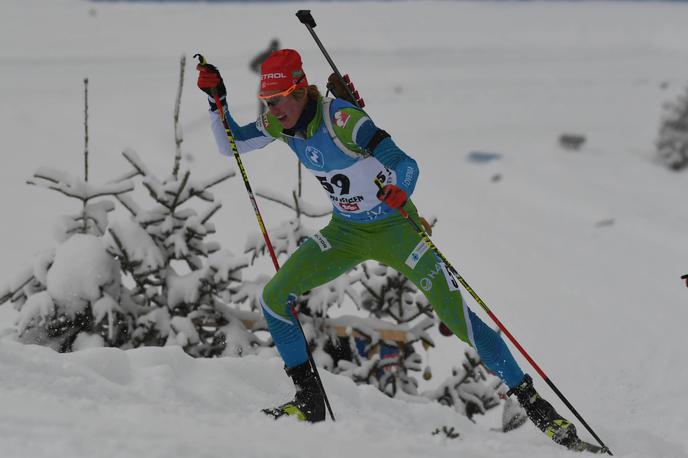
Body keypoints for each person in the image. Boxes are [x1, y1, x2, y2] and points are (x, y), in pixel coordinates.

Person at [197, 49, 580, 447]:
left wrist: (400, 188)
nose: (272, 111)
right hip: (346, 233)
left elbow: (405, 162)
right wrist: (216, 101)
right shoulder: (282, 124)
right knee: (274, 298)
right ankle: (308, 403)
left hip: (399, 230)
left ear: (298, 92)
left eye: (276, 102)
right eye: (267, 103)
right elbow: (232, 144)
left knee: (459, 317)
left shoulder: (343, 119)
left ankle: (535, 406)